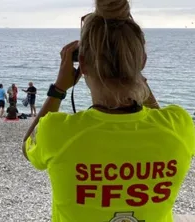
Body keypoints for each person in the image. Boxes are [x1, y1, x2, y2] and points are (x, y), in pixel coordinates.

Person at [22, 1, 195, 222]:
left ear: (82, 65)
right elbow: (159, 120)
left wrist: (58, 89)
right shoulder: (179, 126)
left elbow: (27, 148)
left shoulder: (56, 131)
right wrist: (134, 74)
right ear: (142, 61)